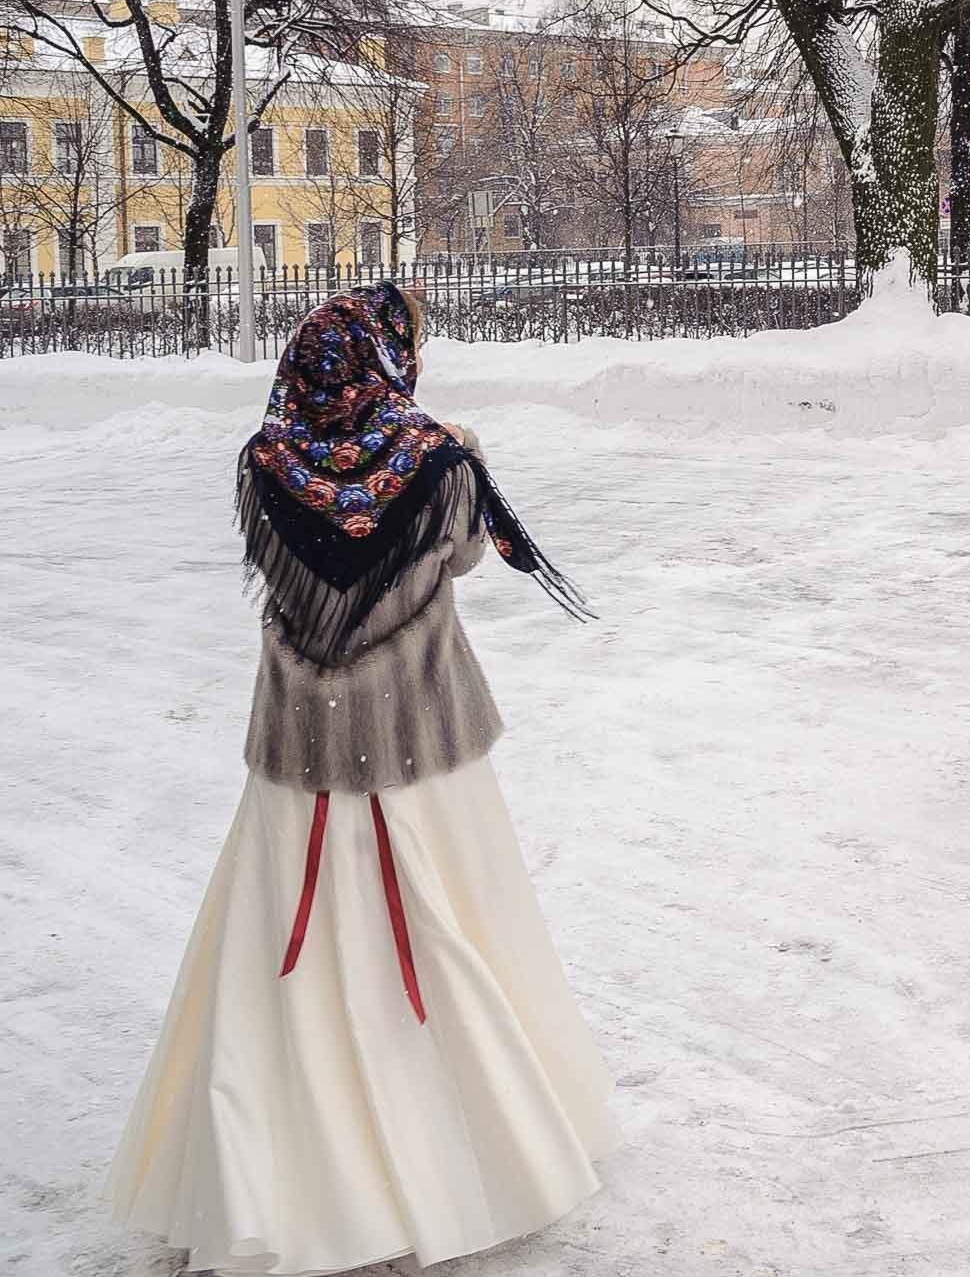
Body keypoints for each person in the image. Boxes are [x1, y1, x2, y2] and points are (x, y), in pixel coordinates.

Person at [106, 281, 613, 1273]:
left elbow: (278, 565)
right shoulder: (438, 459)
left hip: (300, 749)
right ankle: (480, 1143)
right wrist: (457, 450)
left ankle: (280, 1167)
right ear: (386, 361)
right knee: (454, 926)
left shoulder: (262, 462)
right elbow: (465, 557)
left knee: (275, 956)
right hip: (421, 741)